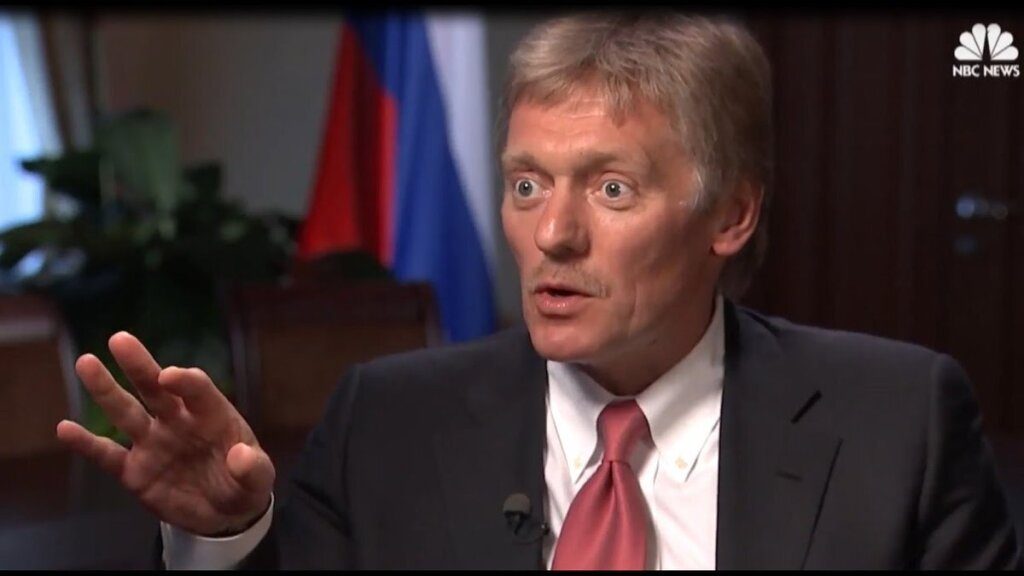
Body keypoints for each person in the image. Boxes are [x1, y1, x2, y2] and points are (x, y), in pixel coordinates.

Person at [55, 12, 1022, 570]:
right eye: (526, 185)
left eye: (612, 188)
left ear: (729, 215)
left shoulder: (898, 425)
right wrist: (229, 535)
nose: (553, 233)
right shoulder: (387, 420)